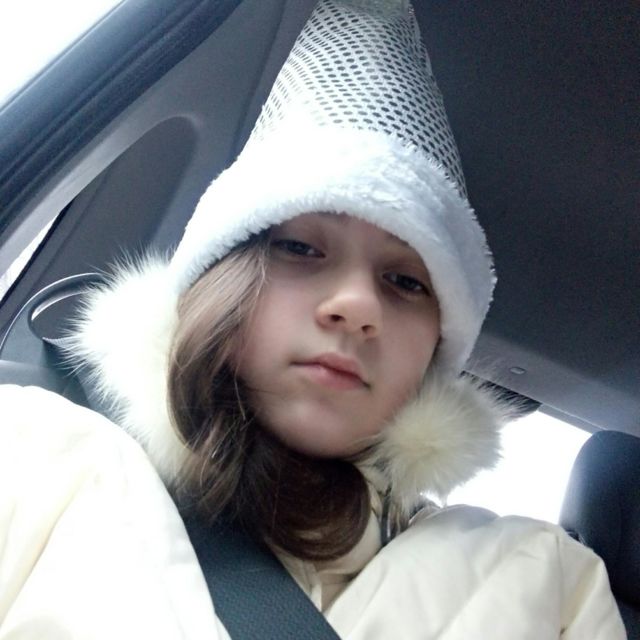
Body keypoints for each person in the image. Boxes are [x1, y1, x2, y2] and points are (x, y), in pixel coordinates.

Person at [0, 0, 626, 638]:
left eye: (406, 282)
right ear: (218, 279)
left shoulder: (542, 580)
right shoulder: (32, 451)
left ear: (434, 355)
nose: (358, 306)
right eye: (299, 248)